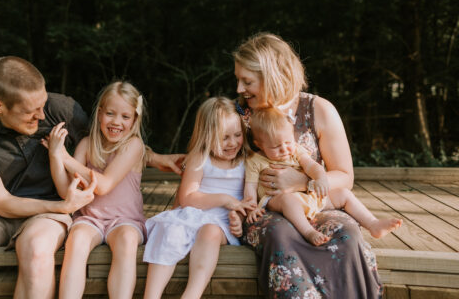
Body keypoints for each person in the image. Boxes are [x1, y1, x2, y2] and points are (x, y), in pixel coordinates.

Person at [0, 57, 180, 299]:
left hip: (48, 215)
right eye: (31, 111)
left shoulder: (62, 109)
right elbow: (1, 202)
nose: (42, 115)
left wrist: (155, 158)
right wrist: (64, 205)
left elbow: (111, 141)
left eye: (42, 104)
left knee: (37, 252)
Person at [228, 33, 386, 298]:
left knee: (345, 233)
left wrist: (301, 181)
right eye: (238, 80)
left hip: (316, 204)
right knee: (280, 234)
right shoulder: (239, 114)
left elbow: (345, 176)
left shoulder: (318, 110)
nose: (239, 89)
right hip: (263, 211)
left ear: (274, 76)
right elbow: (212, 163)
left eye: (247, 81)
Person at [143, 97, 255, 299]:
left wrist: (239, 218)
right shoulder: (199, 158)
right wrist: (223, 198)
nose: (232, 143)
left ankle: (191, 294)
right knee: (170, 232)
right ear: (206, 136)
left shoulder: (247, 161)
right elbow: (187, 198)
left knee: (210, 232)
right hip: (192, 214)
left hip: (222, 222)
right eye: (224, 138)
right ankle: (151, 295)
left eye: (237, 135)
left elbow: (249, 200)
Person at [43, 81, 147, 299]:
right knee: (77, 239)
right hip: (89, 218)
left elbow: (105, 184)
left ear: (134, 120)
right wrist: (55, 156)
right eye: (110, 113)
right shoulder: (86, 145)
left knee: (127, 240)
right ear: (100, 114)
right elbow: (65, 191)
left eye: (125, 117)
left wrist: (66, 159)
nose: (116, 122)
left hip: (125, 219)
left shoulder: (133, 145)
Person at [244, 107, 402, 246]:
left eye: (288, 142)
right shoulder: (255, 160)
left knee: (343, 194)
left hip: (309, 197)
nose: (285, 149)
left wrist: (319, 178)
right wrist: (251, 207)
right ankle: (308, 232)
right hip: (278, 200)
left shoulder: (296, 150)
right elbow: (250, 187)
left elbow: (312, 166)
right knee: (288, 200)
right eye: (276, 146)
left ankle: (373, 224)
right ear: (259, 144)